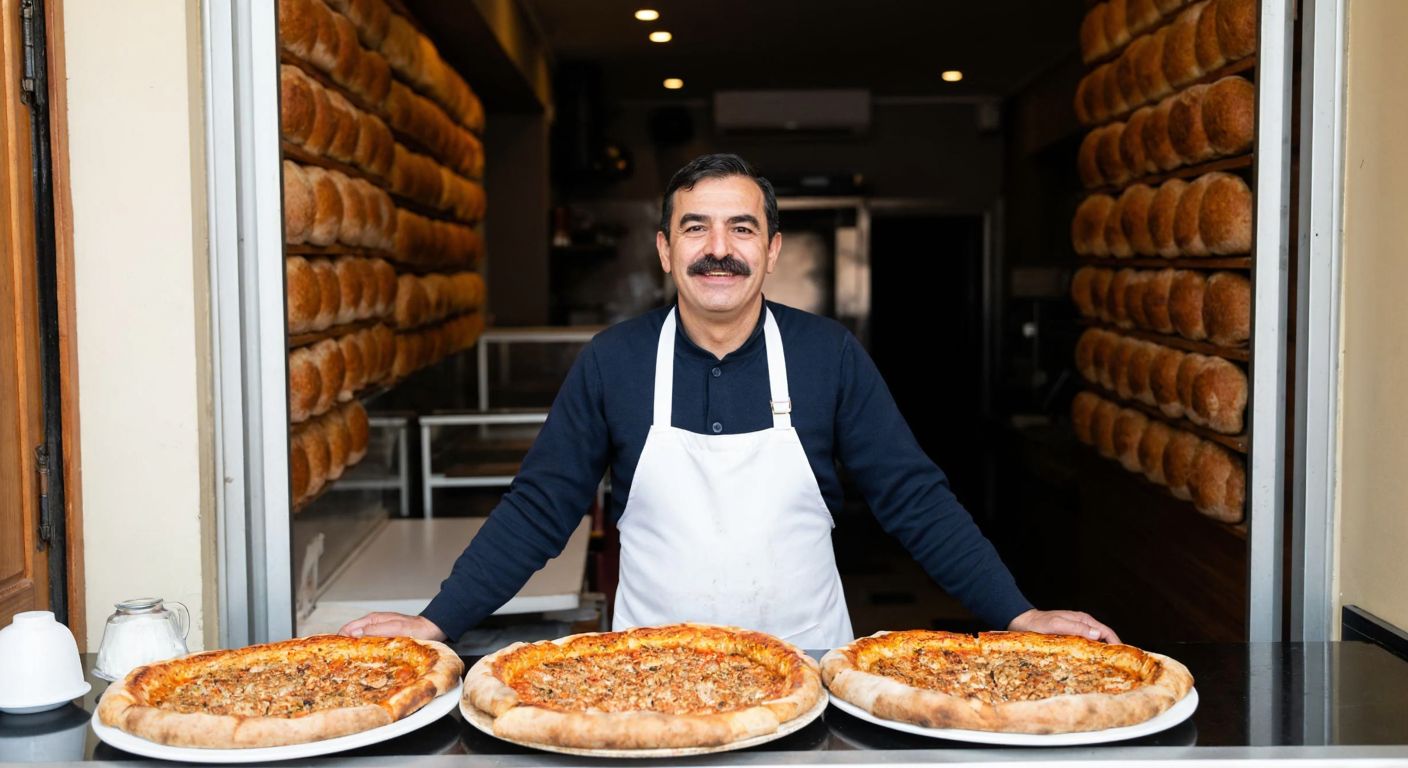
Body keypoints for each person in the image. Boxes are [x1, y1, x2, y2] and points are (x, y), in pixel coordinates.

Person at [341, 153, 1119, 648]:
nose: (719, 249)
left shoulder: (828, 357)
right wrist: (438, 620)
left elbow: (914, 499)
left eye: (742, 229)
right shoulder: (614, 361)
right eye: (696, 228)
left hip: (807, 666)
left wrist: (1018, 615)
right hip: (650, 674)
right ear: (665, 248)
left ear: (772, 250)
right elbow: (542, 508)